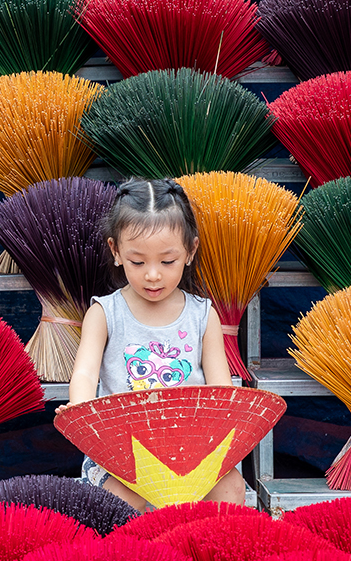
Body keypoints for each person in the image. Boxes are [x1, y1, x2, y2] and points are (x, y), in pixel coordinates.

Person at [61, 178, 244, 510]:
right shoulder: (104, 313)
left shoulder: (204, 316)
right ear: (116, 252)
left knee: (230, 484)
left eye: (167, 261)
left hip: (190, 450)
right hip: (122, 457)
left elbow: (221, 392)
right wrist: (80, 411)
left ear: (190, 251)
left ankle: (211, 551)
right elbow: (85, 375)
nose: (153, 275)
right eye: (138, 261)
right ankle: (137, 559)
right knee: (123, 497)